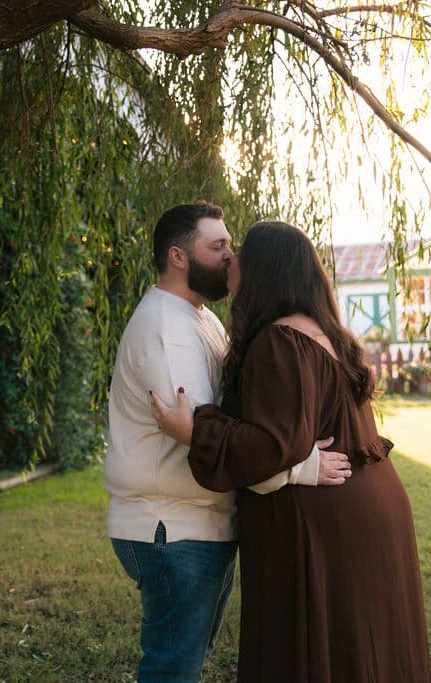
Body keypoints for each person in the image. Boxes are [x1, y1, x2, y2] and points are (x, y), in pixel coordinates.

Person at [152, 220, 431, 682]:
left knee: (318, 652)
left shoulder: (279, 342)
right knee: (364, 652)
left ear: (265, 269)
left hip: (323, 525)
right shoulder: (326, 333)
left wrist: (195, 430)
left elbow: (270, 446)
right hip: (372, 509)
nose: (231, 259)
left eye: (242, 252)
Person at [106, 203, 352, 682]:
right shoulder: (167, 330)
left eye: (230, 245)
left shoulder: (199, 319)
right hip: (170, 527)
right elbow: (207, 437)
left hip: (196, 523)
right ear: (178, 256)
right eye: (217, 246)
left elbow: (227, 423)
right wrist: (300, 466)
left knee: (185, 664)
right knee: (173, 671)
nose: (229, 256)